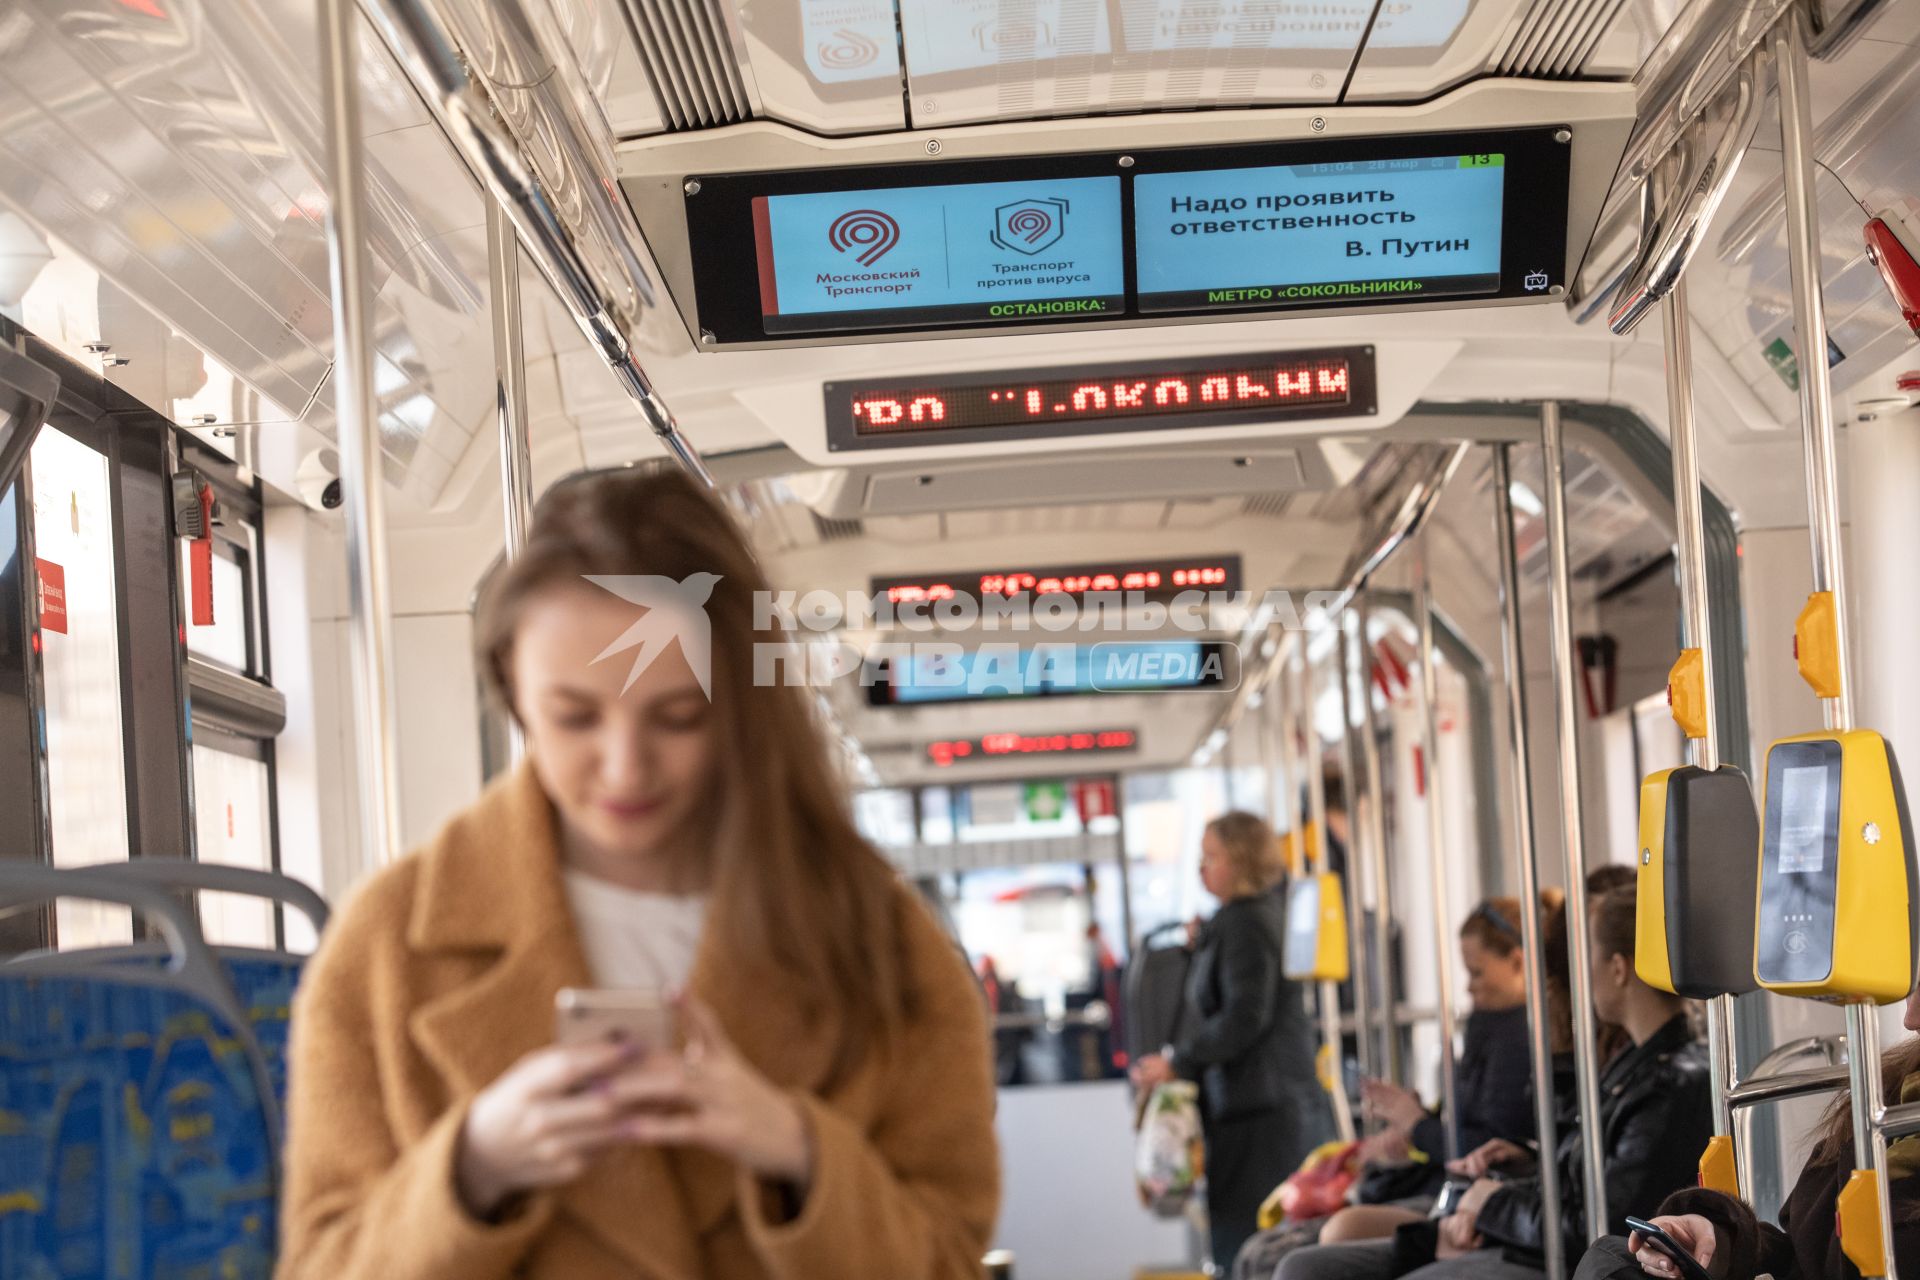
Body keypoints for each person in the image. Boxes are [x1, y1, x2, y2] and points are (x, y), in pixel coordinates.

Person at [276, 467, 1001, 1280]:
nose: (625, 770)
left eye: (677, 716)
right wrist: (472, 1168)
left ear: (740, 701)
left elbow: (950, 1261)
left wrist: (797, 1151)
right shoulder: (389, 947)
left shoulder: (883, 947)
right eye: (575, 717)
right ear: (513, 690)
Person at [1277, 883, 1711, 1280]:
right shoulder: (1631, 1065)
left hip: (1547, 1248)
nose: (1581, 978)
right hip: (1522, 1226)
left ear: (1617, 969)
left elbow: (1596, 1221)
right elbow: (1578, 1171)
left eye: (1589, 960)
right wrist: (1519, 1165)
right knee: (1302, 1258)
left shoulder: (1662, 1082)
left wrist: (1489, 1203)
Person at [1575, 976, 1920, 1280]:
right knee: (1613, 1259)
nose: (1910, 1018)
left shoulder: (1663, 1084)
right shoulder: (1889, 1095)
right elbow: (1802, 1260)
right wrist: (1716, 1242)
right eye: (1913, 981)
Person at [1133, 812, 1336, 1267]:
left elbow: (1245, 1016)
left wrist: (1180, 1062)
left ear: (1241, 861)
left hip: (1261, 1112)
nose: (1201, 869)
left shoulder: (1246, 924)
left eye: (1212, 857)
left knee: (1252, 1244)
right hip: (1256, 1104)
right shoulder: (1239, 920)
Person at [1318, 893, 1567, 1244]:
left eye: (1477, 973)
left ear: (1517, 962)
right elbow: (1461, 1125)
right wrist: (1415, 1123)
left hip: (1474, 1199)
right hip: (1448, 1188)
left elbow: (1484, 1148)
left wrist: (1418, 1125)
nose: (1468, 985)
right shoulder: (1490, 1025)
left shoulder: (1526, 1039)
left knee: (1321, 1243)